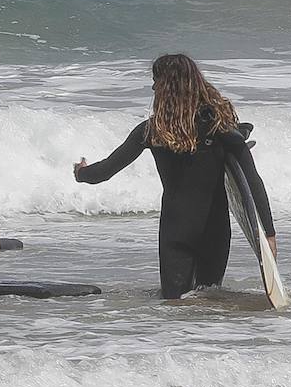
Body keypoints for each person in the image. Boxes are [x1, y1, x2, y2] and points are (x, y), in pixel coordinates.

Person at [73, 53, 275, 300]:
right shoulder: (222, 129)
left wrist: (81, 172)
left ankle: (179, 340)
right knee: (209, 300)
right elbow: (252, 181)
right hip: (215, 229)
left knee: (175, 305)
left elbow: (103, 172)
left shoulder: (151, 131)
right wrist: (268, 234)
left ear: (165, 86)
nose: (153, 87)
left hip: (176, 230)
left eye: (156, 80)